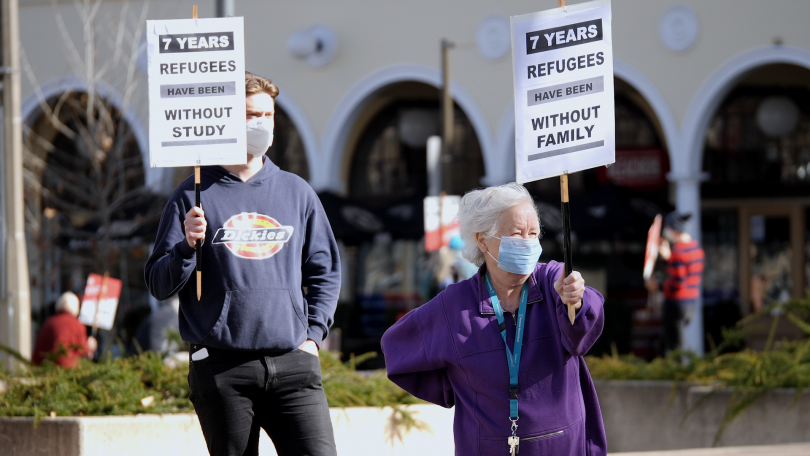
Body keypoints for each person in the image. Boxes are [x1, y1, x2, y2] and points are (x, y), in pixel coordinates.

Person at [144, 72, 340, 456]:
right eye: (251, 114)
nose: (262, 124)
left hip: (293, 363)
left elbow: (325, 271)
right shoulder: (192, 195)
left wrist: (313, 335)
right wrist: (186, 246)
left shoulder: (297, 192)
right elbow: (157, 282)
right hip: (221, 369)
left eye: (268, 115)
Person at [381, 183, 606, 456]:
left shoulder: (551, 280)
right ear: (483, 240)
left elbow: (583, 327)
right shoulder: (454, 305)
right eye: (516, 233)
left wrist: (576, 299)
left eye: (533, 233)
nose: (527, 242)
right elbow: (396, 348)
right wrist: (455, 386)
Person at [646, 211, 704, 353]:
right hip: (690, 304)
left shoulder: (678, 252)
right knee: (669, 342)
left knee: (675, 346)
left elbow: (677, 283)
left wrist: (657, 286)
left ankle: (678, 373)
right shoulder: (696, 248)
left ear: (674, 229)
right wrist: (668, 259)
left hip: (677, 304)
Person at [32, 291, 97, 367]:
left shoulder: (49, 323)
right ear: (76, 309)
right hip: (69, 370)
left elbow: (38, 352)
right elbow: (83, 352)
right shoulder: (78, 325)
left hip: (48, 369)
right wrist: (89, 347)